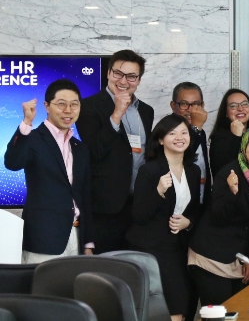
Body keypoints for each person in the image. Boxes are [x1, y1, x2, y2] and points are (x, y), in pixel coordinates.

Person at [5, 79, 95, 262]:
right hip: (43, 238)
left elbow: (84, 196)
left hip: (77, 237)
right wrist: (26, 123)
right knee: (41, 290)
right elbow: (12, 162)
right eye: (61, 104)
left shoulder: (80, 147)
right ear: (47, 106)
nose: (68, 110)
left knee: (73, 290)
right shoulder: (33, 138)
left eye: (74, 104)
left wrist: (88, 243)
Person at [188, 126, 249, 306]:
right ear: (243, 146)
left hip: (238, 257)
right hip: (211, 255)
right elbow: (218, 216)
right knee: (217, 315)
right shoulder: (229, 172)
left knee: (239, 314)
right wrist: (232, 193)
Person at [77, 49, 154, 253]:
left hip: (138, 206)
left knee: (134, 268)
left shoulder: (146, 111)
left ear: (138, 80)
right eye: (118, 73)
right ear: (109, 73)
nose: (123, 81)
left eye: (131, 76)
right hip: (105, 206)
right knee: (105, 271)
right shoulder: (88, 107)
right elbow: (94, 151)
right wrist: (117, 114)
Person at [127, 114, 202, 321]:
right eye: (172, 133)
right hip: (153, 248)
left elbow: (195, 209)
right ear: (161, 140)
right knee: (173, 307)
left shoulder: (194, 171)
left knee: (185, 304)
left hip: (180, 248)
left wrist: (189, 223)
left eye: (184, 132)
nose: (180, 137)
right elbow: (139, 215)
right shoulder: (149, 170)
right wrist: (159, 191)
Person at [170, 82, 211, 203]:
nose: (190, 110)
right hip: (179, 203)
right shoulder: (166, 131)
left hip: (202, 197)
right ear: (173, 105)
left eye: (196, 104)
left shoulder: (200, 132)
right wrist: (196, 127)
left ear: (202, 105)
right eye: (184, 104)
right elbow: (181, 158)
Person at [208, 89, 249, 175]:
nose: (240, 108)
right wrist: (235, 137)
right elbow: (222, 171)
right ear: (226, 112)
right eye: (233, 106)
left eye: (245, 104)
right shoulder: (218, 138)